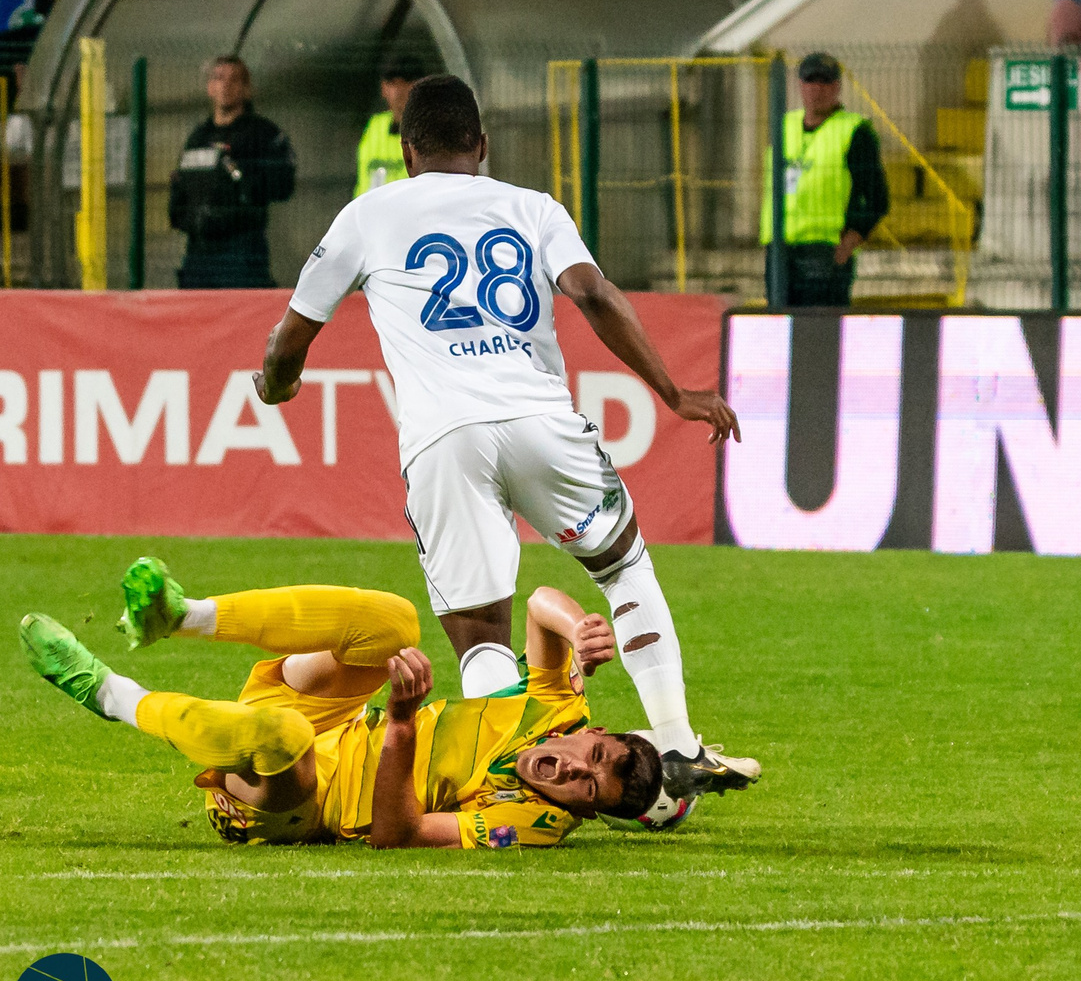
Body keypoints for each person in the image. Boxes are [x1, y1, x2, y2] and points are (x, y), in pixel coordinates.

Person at [255, 72, 757, 813]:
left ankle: (511, 775)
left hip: (444, 436)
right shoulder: (533, 206)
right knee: (622, 567)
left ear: (406, 147)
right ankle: (676, 743)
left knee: (482, 628)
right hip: (541, 419)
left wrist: (278, 384)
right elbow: (591, 292)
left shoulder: (368, 213)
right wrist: (674, 393)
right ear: (482, 146)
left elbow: (293, 335)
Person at [19, 567, 687, 847]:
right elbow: (542, 601)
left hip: (299, 800)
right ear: (593, 731)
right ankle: (182, 615)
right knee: (393, 623)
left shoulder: (533, 821)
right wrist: (581, 627)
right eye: (592, 757)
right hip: (336, 718)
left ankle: (108, 692)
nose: (572, 772)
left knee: (281, 736)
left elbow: (398, 833)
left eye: (586, 791)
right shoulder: (558, 711)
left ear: (583, 812)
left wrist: (400, 723)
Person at [758, 53, 892, 307]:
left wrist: (853, 238)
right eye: (811, 81)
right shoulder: (784, 126)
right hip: (780, 246)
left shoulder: (854, 131)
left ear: (837, 87)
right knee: (779, 326)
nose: (817, 89)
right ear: (800, 84)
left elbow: (877, 196)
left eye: (825, 82)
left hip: (825, 250)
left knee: (821, 330)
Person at [170, 55, 296, 288]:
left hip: (241, 251)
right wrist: (187, 219)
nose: (225, 86)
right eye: (218, 79)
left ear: (247, 89)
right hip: (199, 252)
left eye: (234, 80)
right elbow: (181, 184)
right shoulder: (198, 137)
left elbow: (283, 184)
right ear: (209, 88)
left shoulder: (262, 134)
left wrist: (244, 183)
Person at [355, 58, 421, 195]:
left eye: (406, 82)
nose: (399, 91)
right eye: (393, 83)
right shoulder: (376, 125)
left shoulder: (428, 130)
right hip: (369, 212)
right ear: (383, 88)